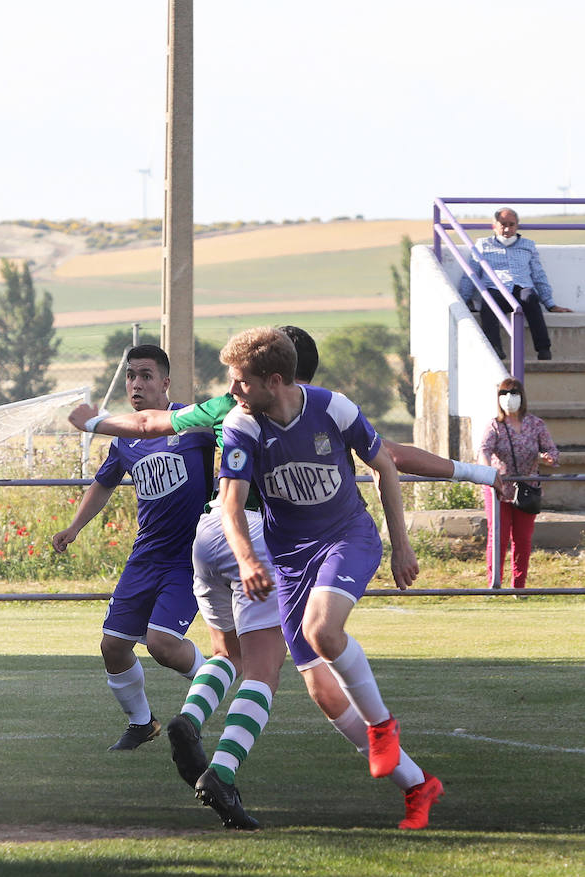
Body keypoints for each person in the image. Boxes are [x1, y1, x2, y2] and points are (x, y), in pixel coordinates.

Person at [69, 325, 461, 830]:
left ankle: (413, 782)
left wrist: (94, 421)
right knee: (264, 669)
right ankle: (222, 771)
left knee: (281, 672)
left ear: (276, 379)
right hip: (255, 542)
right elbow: (392, 456)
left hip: (211, 539)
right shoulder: (242, 417)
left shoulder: (318, 410)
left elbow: (386, 461)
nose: (233, 388)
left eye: (241, 379)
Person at [52, 345, 214, 751]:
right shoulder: (125, 438)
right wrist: (74, 527)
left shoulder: (193, 423)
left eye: (145, 375)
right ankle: (142, 724)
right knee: (113, 646)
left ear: (165, 382)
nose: (136, 384)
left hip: (188, 557)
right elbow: (104, 483)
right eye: (130, 376)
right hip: (145, 557)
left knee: (162, 645)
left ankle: (218, 677)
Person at [458, 206, 571, 361]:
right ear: (494, 226)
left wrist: (550, 304)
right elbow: (471, 274)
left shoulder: (528, 245)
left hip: (521, 288)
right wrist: (463, 300)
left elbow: (538, 275)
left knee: (530, 297)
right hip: (495, 289)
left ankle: (544, 349)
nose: (507, 229)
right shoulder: (483, 245)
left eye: (511, 224)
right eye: (503, 224)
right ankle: (496, 350)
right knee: (489, 303)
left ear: (517, 226)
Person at [479, 377, 558, 589]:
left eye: (514, 393)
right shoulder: (495, 425)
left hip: (527, 490)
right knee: (498, 537)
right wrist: (488, 472)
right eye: (504, 394)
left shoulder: (536, 424)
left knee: (522, 538)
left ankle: (519, 586)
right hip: (499, 489)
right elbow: (484, 450)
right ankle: (494, 584)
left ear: (522, 397)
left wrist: (549, 458)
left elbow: (551, 450)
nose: (509, 398)